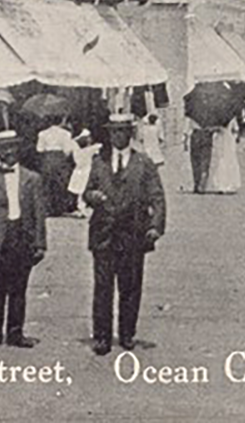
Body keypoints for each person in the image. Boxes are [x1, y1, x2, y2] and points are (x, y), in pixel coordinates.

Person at [82, 111, 167, 355]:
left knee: (130, 287)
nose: (117, 136)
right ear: (108, 134)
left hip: (133, 234)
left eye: (122, 131)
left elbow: (157, 197)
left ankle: (127, 333)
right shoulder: (99, 162)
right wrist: (92, 196)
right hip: (104, 234)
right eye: (113, 132)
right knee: (103, 287)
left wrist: (155, 226)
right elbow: (86, 192)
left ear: (130, 134)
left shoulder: (144, 163)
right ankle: (102, 336)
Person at [0, 131, 47, 348]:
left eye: (12, 147)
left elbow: (39, 213)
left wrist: (40, 243)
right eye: (4, 148)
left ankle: (16, 332)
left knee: (19, 289)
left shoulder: (32, 178)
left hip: (21, 236)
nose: (9, 152)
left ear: (18, 150)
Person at [35, 115, 78, 216]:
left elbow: (39, 149)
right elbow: (67, 150)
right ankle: (59, 207)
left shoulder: (42, 134)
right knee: (61, 183)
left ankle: (48, 208)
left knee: (47, 183)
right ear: (61, 120)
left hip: (48, 158)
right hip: (60, 159)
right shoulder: (66, 134)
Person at [204, 115, 242, 194]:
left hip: (221, 139)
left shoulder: (217, 118)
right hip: (229, 139)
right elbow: (236, 129)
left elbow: (213, 129)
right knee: (228, 160)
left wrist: (216, 129)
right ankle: (229, 184)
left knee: (221, 160)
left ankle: (222, 185)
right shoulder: (232, 117)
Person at [67, 129, 99, 217]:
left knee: (82, 190)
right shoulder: (78, 149)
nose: (89, 140)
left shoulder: (90, 149)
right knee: (79, 190)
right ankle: (80, 208)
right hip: (81, 171)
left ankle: (83, 208)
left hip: (85, 170)